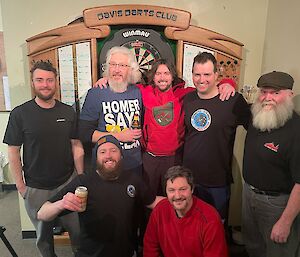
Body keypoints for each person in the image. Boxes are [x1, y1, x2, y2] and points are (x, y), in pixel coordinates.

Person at [95, 58, 236, 196]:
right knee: (148, 199)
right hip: (150, 158)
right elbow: (122, 84)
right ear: (153, 76)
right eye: (158, 73)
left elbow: (207, 85)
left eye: (166, 73)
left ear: (172, 76)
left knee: (173, 198)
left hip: (174, 158)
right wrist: (106, 79)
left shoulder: (184, 93)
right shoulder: (144, 91)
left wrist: (228, 83)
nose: (162, 77)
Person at [3, 61, 84, 257]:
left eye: (49, 80)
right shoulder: (20, 114)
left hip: (67, 184)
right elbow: (13, 151)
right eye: (40, 80)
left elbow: (76, 144)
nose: (45, 84)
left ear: (56, 82)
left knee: (79, 234)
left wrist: (81, 177)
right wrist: (21, 187)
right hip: (36, 188)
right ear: (33, 83)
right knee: (44, 239)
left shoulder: (68, 112)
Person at [37, 135, 163, 257]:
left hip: (127, 253)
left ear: (121, 155)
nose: (108, 155)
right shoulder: (83, 182)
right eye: (102, 152)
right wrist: (61, 204)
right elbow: (42, 213)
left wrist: (179, 198)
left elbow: (153, 202)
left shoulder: (133, 179)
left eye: (113, 150)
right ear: (96, 158)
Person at [182, 52, 251, 224]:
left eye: (206, 74)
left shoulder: (233, 100)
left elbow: (256, 129)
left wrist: (229, 84)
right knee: (190, 226)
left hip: (217, 181)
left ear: (216, 75)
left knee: (215, 228)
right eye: (197, 74)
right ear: (192, 75)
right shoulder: (187, 99)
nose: (201, 79)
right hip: (189, 179)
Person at [242, 71, 300, 257]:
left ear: (290, 95)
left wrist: (285, 221)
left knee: (278, 252)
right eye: (264, 92)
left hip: (278, 204)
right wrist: (226, 84)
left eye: (275, 93)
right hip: (248, 194)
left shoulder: (296, 130)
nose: (268, 98)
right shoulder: (256, 116)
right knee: (253, 247)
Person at [79, 46, 143, 174]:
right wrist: (119, 136)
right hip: (106, 166)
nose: (117, 70)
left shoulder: (137, 91)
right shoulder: (95, 93)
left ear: (131, 70)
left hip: (134, 164)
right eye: (113, 64)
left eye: (122, 65)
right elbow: (84, 133)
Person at [143, 165, 228, 257]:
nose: (178, 196)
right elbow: (150, 247)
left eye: (183, 189)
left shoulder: (210, 219)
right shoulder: (159, 210)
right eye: (171, 190)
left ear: (192, 189)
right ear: (166, 192)